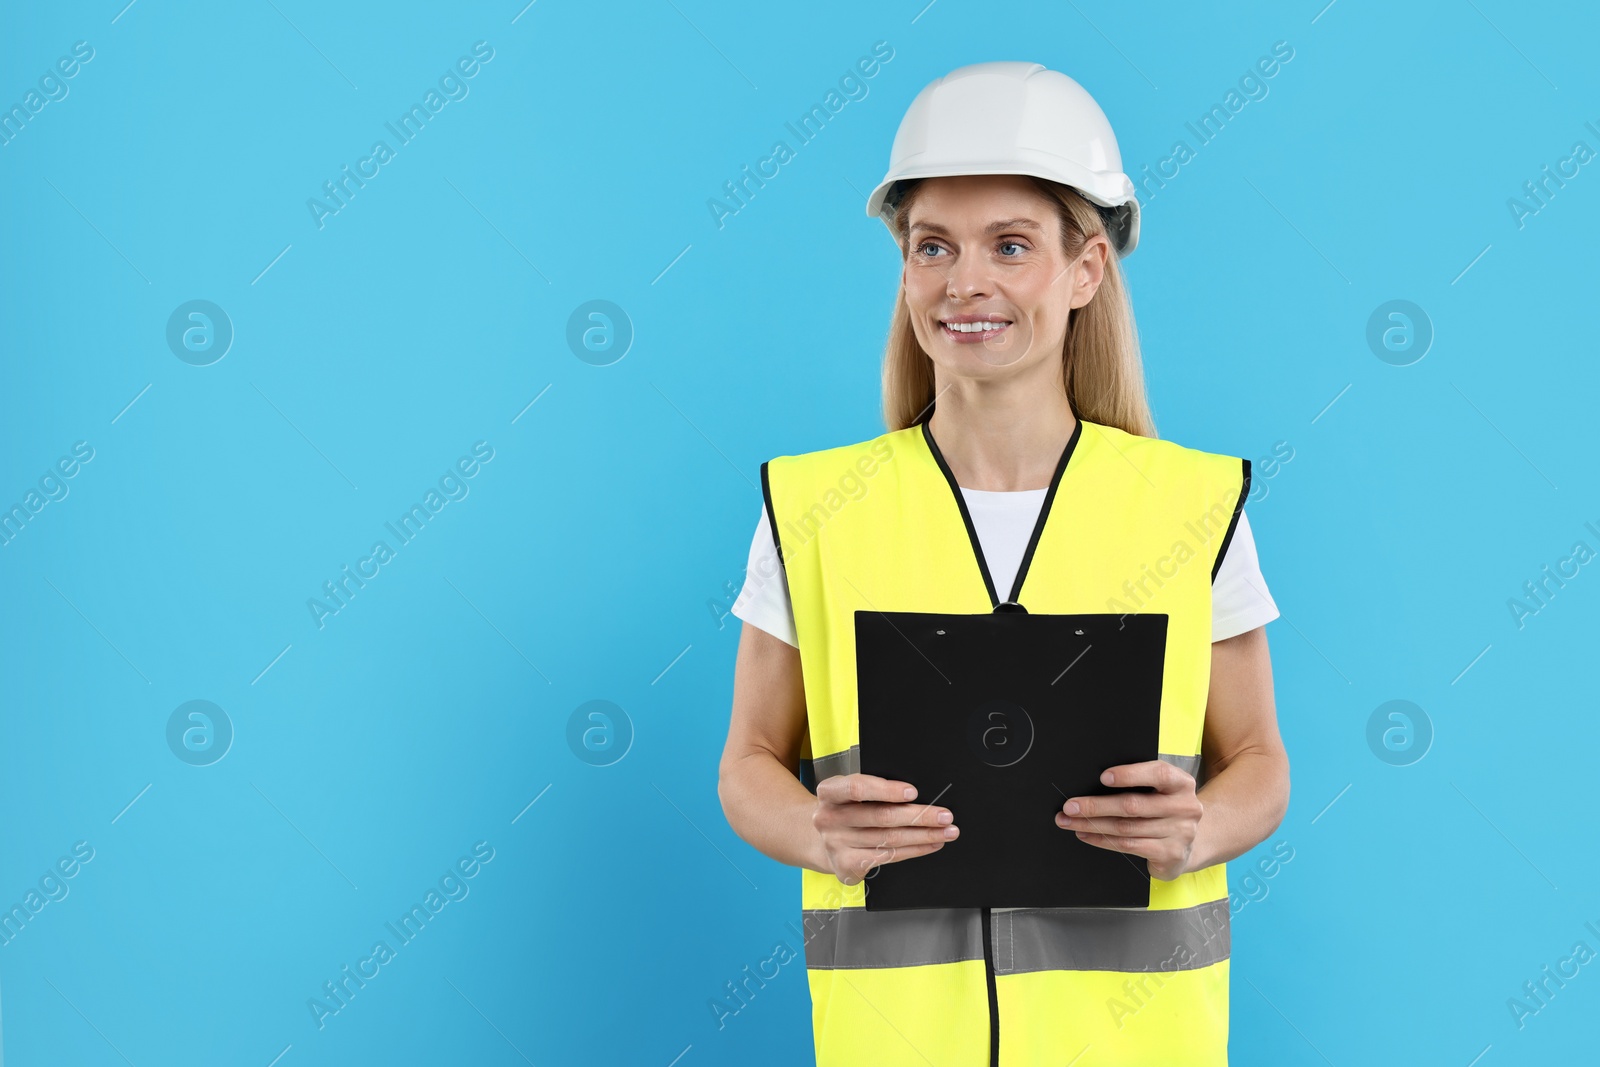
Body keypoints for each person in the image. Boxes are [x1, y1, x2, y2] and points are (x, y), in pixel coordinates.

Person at [717, 61, 1289, 1067]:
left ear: (1084, 269)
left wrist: (1194, 831)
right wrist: (817, 832)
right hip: (895, 1043)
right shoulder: (812, 510)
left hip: (1133, 1044)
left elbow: (1261, 766)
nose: (963, 281)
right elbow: (746, 765)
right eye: (930, 245)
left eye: (1009, 245)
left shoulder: (1190, 509)